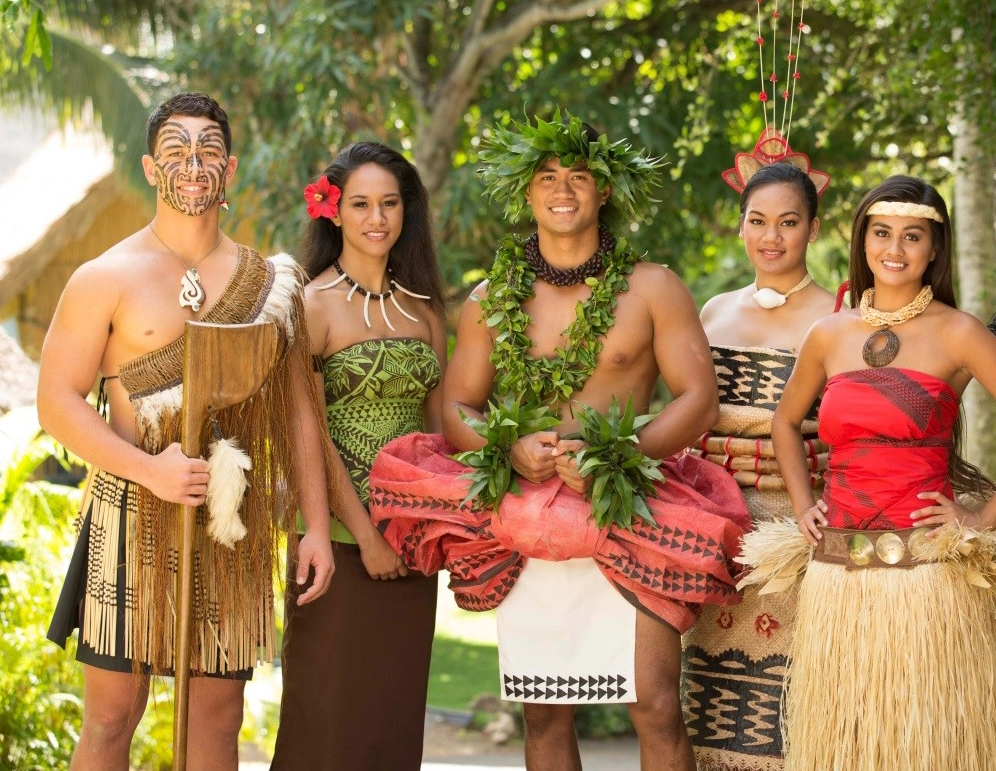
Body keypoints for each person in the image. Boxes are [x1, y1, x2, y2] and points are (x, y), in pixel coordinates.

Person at [367, 112, 751, 771]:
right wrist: (507, 445)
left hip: (633, 512)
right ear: (528, 193)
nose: (563, 189)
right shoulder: (491, 299)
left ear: (604, 190)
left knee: (656, 702)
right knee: (545, 714)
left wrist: (619, 455)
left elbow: (697, 399)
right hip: (529, 521)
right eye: (548, 177)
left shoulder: (653, 287)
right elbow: (458, 408)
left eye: (578, 176)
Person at [40, 92, 334, 770]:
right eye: (176, 149)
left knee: (217, 715)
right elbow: (56, 402)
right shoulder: (103, 277)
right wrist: (149, 469)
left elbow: (297, 412)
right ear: (150, 167)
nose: (192, 162)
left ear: (228, 168)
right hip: (127, 513)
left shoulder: (269, 283)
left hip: (229, 519)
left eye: (208, 149)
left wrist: (315, 525)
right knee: (114, 717)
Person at [739, 175, 996, 770]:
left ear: (935, 248)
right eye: (882, 233)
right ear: (863, 241)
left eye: (912, 236)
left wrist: (982, 517)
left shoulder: (959, 332)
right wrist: (802, 499)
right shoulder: (829, 334)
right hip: (840, 576)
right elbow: (786, 423)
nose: (895, 249)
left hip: (931, 580)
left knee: (932, 747)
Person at [269, 142, 447, 769]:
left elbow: (441, 434)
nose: (378, 218)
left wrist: (441, 529)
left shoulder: (426, 313)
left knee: (391, 728)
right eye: (362, 204)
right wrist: (368, 536)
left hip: (415, 546)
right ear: (334, 211)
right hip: (339, 542)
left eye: (391, 204)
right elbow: (306, 434)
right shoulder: (311, 306)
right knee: (327, 725)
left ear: (407, 212)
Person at [682, 158, 835, 771]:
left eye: (789, 222)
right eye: (758, 221)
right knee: (708, 688)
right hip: (718, 524)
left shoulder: (842, 311)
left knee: (794, 694)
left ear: (814, 230)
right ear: (740, 226)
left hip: (802, 526)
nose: (771, 237)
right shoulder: (713, 312)